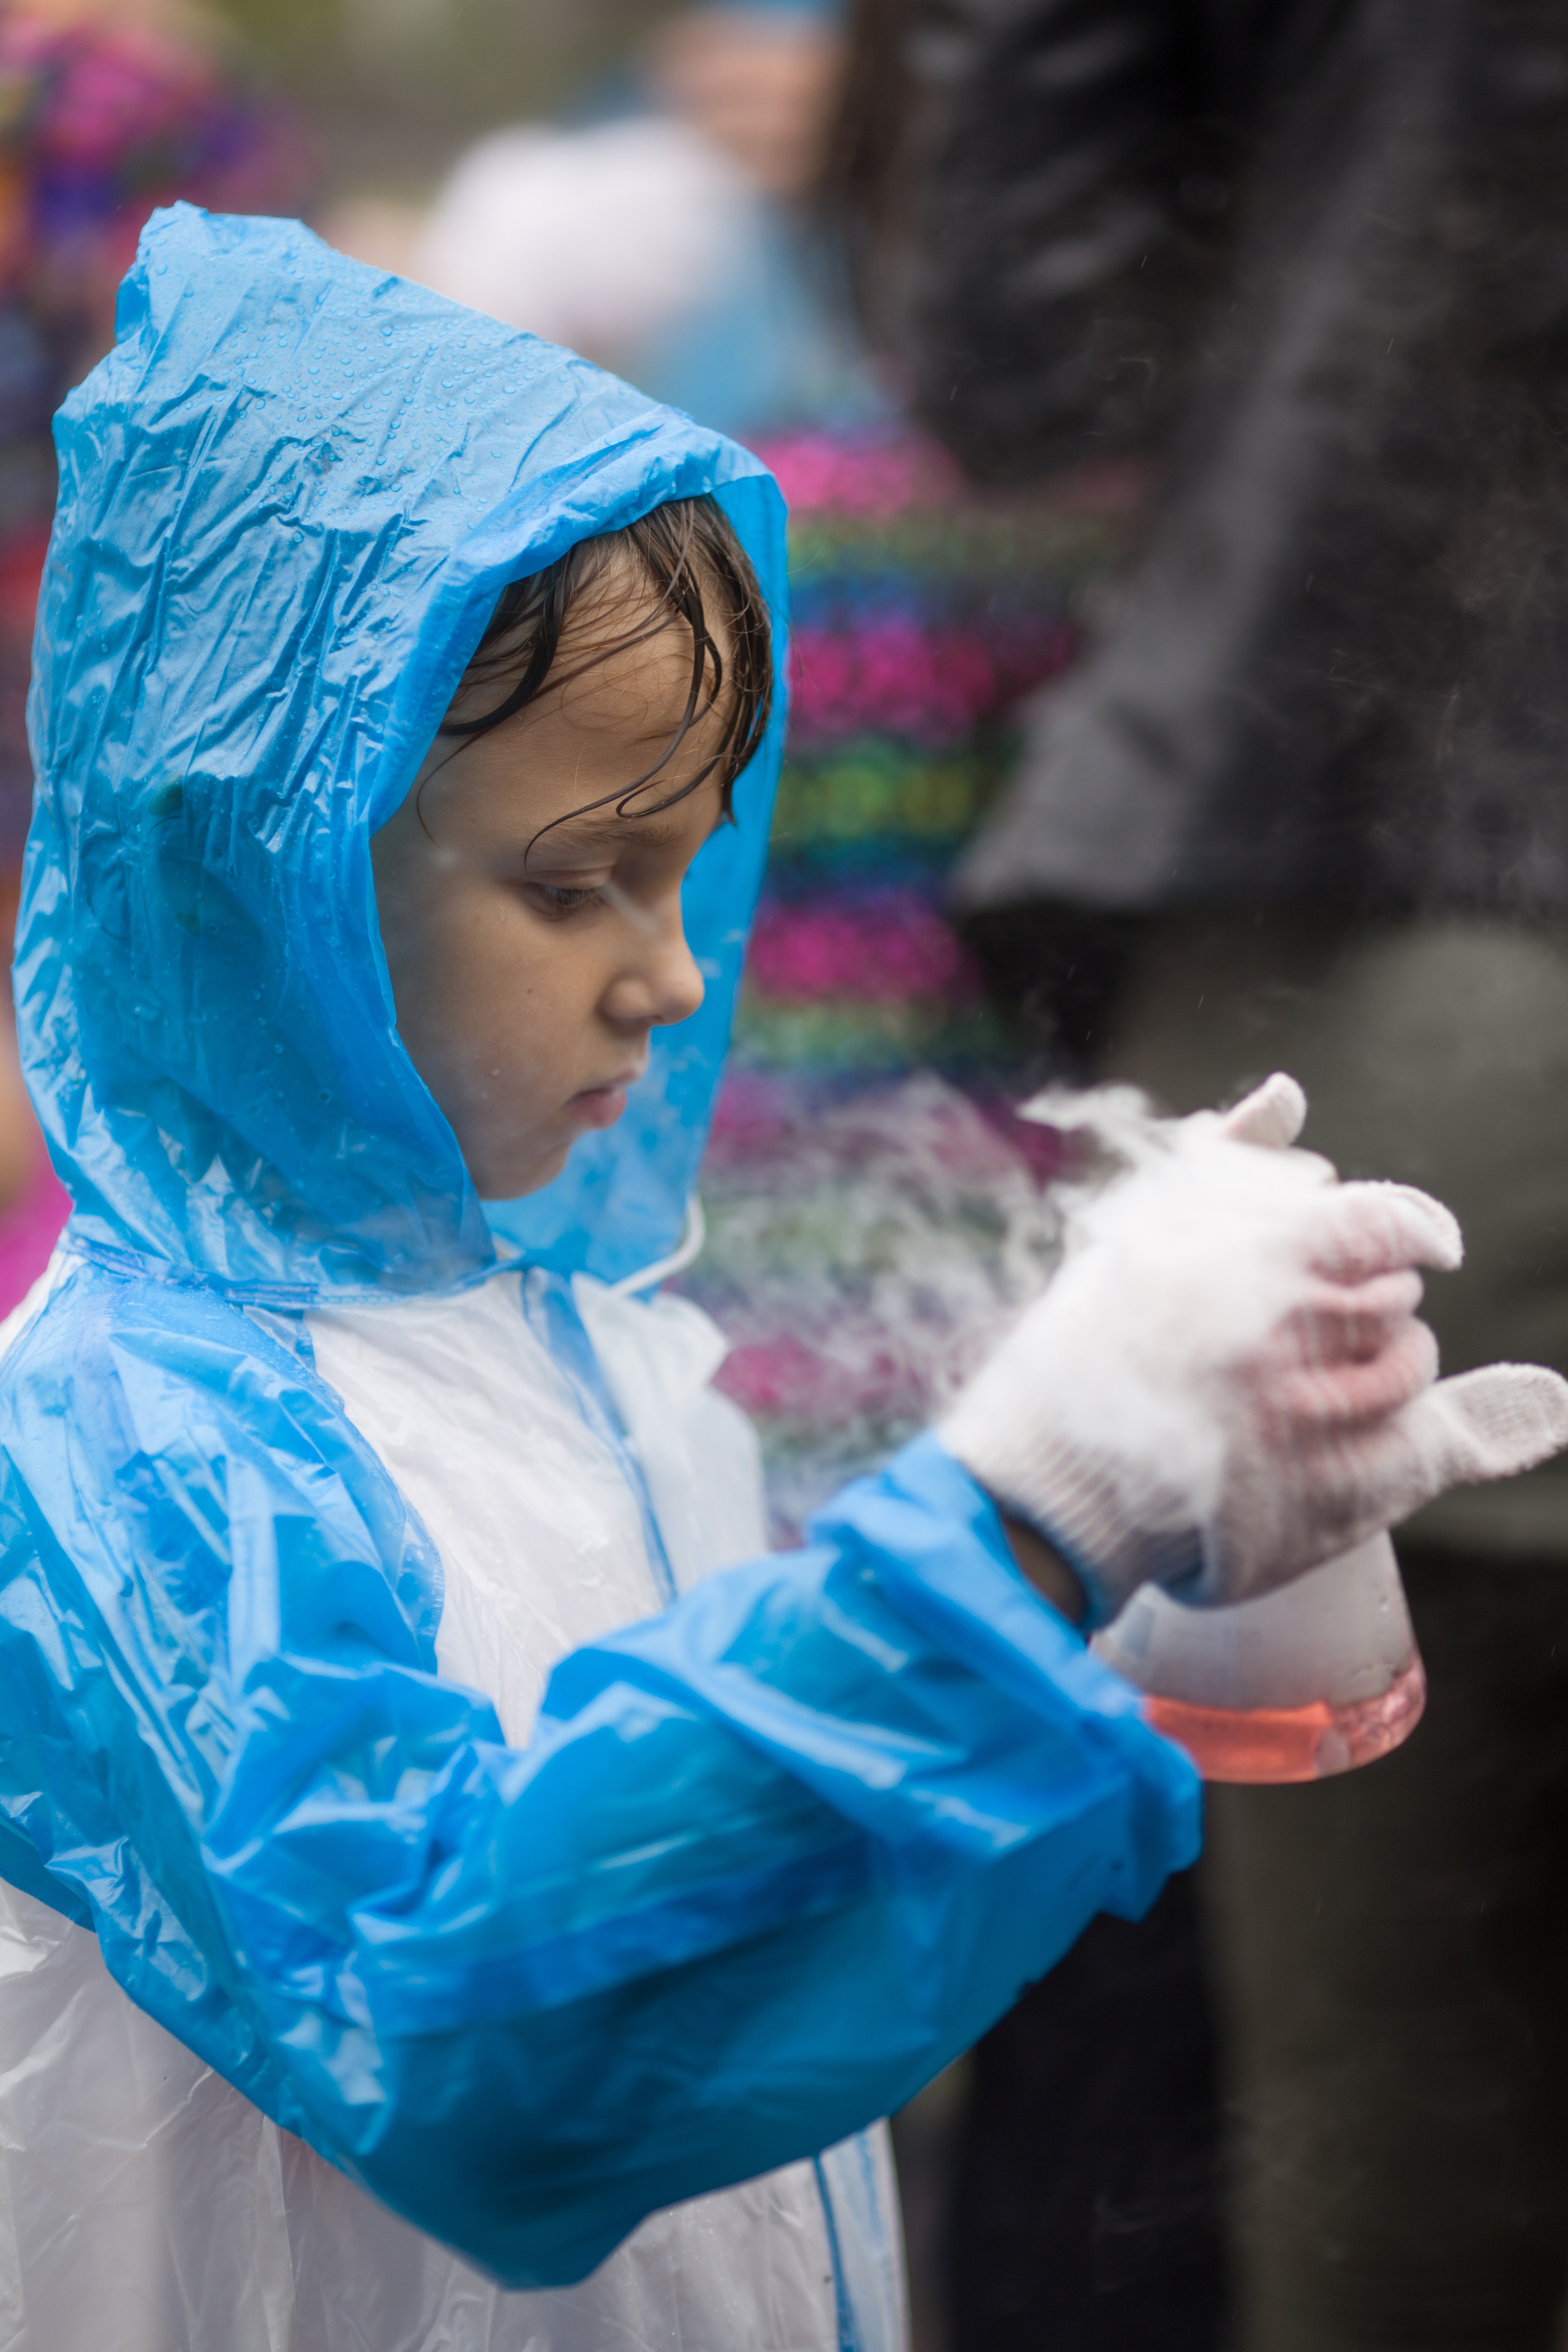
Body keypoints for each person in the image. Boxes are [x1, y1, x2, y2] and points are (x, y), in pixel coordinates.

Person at [0, 200, 1560, 2352]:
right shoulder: (122, 1446)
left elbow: (721, 1936)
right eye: (576, 881)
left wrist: (1144, 1589)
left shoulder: (577, 1348)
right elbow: (477, 2051)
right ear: (244, 862)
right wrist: (1024, 1518)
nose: (669, 976)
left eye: (688, 864)